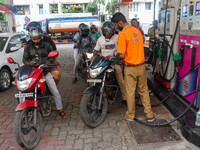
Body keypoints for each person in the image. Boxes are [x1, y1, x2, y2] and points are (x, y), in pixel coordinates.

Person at [111, 12, 156, 122]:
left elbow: (121, 55)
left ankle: (130, 115)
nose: (116, 28)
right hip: (141, 67)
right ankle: (149, 115)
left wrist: (118, 57)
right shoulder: (137, 31)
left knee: (130, 92)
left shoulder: (123, 34)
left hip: (130, 68)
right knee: (144, 90)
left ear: (120, 22)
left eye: (116, 25)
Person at [23, 27, 68, 119]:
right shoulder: (28, 47)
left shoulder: (47, 45)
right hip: (32, 72)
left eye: (37, 39)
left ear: (41, 37)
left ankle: (60, 109)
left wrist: (45, 64)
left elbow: (52, 58)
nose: (35, 41)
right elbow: (24, 59)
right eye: (33, 39)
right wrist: (29, 63)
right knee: (25, 90)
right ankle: (25, 110)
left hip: (45, 71)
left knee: (54, 91)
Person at [93, 21, 126, 103]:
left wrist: (119, 58)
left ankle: (125, 98)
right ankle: (93, 93)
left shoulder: (117, 37)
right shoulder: (100, 40)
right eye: (108, 32)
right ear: (104, 32)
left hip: (114, 61)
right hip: (104, 61)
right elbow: (96, 51)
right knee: (95, 76)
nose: (110, 34)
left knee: (120, 79)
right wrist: (94, 59)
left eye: (111, 32)